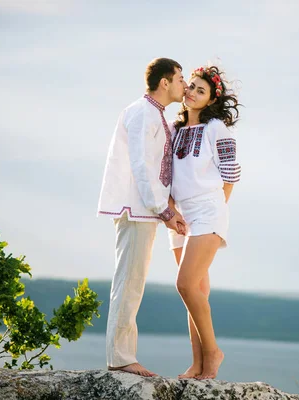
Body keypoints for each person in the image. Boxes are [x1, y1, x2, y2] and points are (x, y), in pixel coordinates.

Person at [97, 57, 187, 377]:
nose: (184, 84)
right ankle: (121, 357)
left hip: (145, 211)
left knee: (134, 282)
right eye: (180, 78)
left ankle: (122, 354)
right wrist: (164, 211)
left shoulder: (153, 113)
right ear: (164, 82)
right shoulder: (141, 112)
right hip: (137, 210)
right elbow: (142, 167)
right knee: (129, 281)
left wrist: (168, 210)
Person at [168, 65, 242, 380]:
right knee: (195, 291)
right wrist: (171, 210)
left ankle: (213, 352)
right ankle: (198, 366)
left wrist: (216, 207)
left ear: (210, 99)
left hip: (209, 211)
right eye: (192, 86)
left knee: (184, 284)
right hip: (180, 217)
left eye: (201, 90)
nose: (193, 93)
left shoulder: (216, 128)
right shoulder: (173, 130)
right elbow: (165, 178)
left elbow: (232, 173)